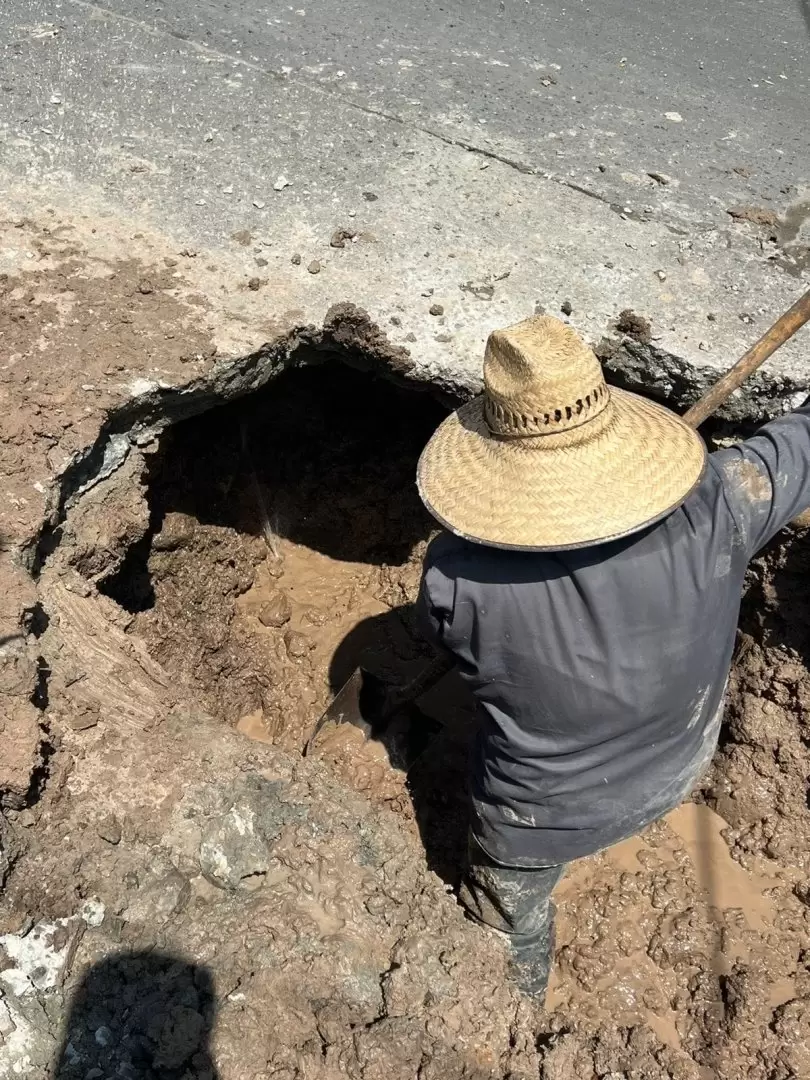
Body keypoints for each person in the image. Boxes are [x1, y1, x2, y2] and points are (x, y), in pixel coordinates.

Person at [414, 314, 810, 998]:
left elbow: (463, 652)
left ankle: (513, 1011)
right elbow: (800, 446)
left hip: (536, 822)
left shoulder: (455, 579)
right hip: (678, 766)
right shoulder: (716, 502)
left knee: (506, 924)